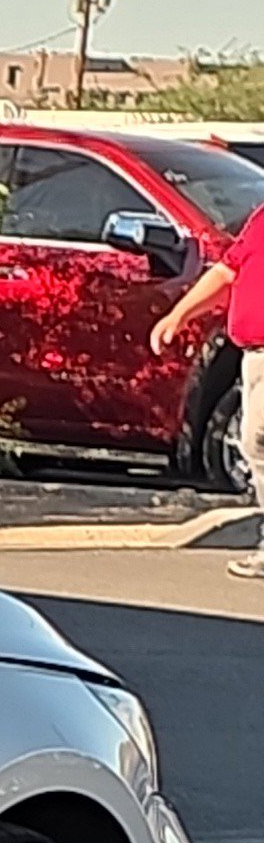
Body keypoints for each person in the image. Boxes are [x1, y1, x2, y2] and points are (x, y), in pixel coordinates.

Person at [150, 200, 264, 573]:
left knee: (260, 441)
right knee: (256, 445)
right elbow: (229, 272)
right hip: (255, 356)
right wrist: (179, 315)